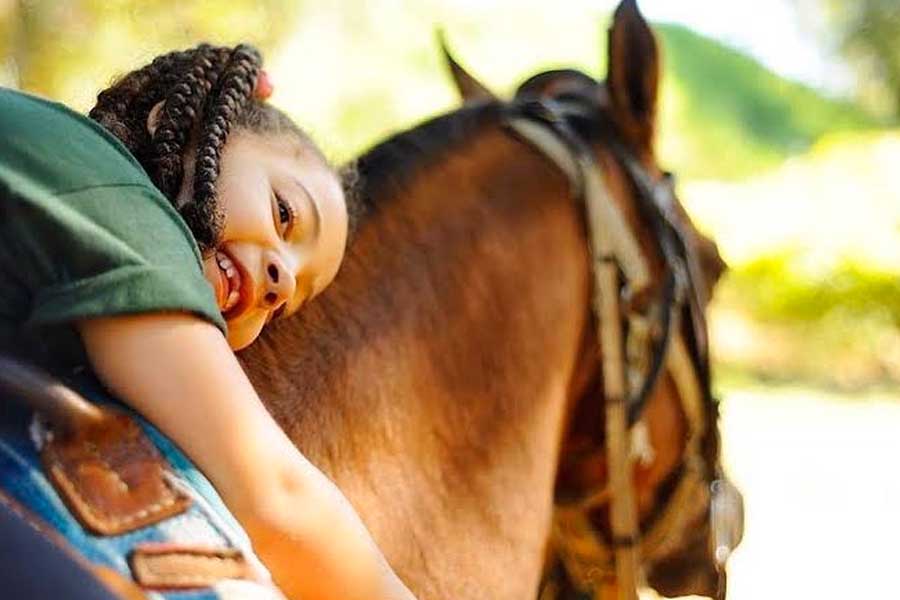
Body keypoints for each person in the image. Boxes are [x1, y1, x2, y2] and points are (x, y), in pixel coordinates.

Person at [0, 44, 415, 600]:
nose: (280, 282)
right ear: (192, 126)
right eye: (285, 215)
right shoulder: (109, 185)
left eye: (282, 307)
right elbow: (275, 496)